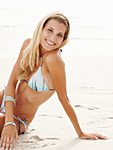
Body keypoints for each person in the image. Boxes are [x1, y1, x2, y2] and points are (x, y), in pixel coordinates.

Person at [0, 12, 107, 150]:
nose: (53, 38)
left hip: (18, 118)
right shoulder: (29, 44)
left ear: (64, 38)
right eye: (50, 30)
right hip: (6, 100)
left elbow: (64, 99)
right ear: (42, 28)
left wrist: (80, 133)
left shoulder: (54, 60)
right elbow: (11, 83)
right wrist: (8, 121)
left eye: (59, 34)